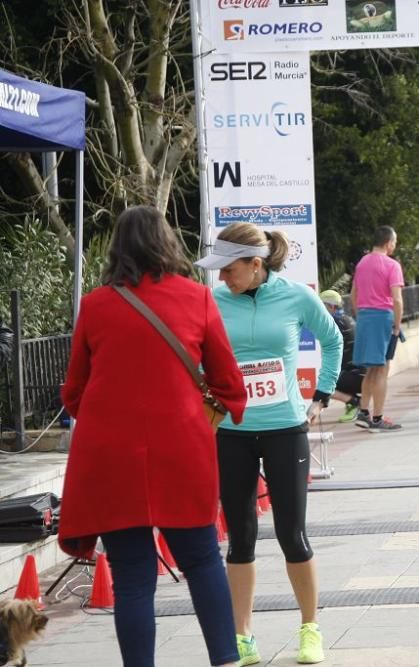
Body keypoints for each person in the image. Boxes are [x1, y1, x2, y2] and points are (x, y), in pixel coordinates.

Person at [59, 206, 248, 667]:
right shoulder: (198, 298)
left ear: (117, 247)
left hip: (113, 455)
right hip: (182, 450)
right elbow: (228, 383)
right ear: (167, 242)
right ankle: (225, 658)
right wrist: (200, 416)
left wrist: (109, 421)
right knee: (202, 561)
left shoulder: (96, 304)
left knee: (132, 578)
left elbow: (74, 391)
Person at [196, 222, 343, 666]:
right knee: (239, 538)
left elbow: (333, 340)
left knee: (291, 534)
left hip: (284, 428)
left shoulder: (296, 296)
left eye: (228, 270)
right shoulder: (213, 302)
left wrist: (321, 395)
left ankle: (310, 628)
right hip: (232, 433)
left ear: (255, 264)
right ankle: (243, 637)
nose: (222, 278)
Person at [351, 226, 405, 431]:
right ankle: (377, 418)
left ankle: (364, 412)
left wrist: (360, 315)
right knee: (382, 369)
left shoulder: (362, 263)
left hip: (364, 317)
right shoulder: (392, 265)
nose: (395, 245)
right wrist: (397, 325)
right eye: (395, 241)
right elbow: (397, 300)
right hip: (383, 317)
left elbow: (354, 294)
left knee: (370, 370)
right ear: (388, 242)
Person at [319, 289, 367, 423]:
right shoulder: (347, 318)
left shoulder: (334, 322)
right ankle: (352, 404)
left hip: (357, 375)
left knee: (322, 383)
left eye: (321, 306)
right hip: (362, 374)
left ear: (332, 307)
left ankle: (354, 402)